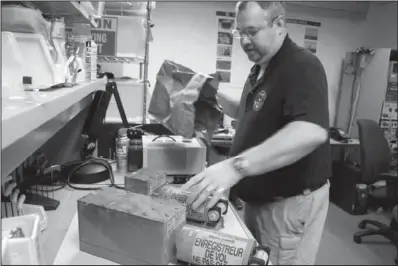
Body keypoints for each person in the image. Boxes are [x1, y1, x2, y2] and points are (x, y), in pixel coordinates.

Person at [181, 1, 332, 265]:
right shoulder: (261, 68)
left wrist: (235, 168)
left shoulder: (301, 65)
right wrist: (211, 93)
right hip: (259, 200)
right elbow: (250, 109)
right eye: (240, 33)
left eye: (252, 31)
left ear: (279, 24)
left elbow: (311, 130)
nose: (245, 41)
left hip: (288, 205)